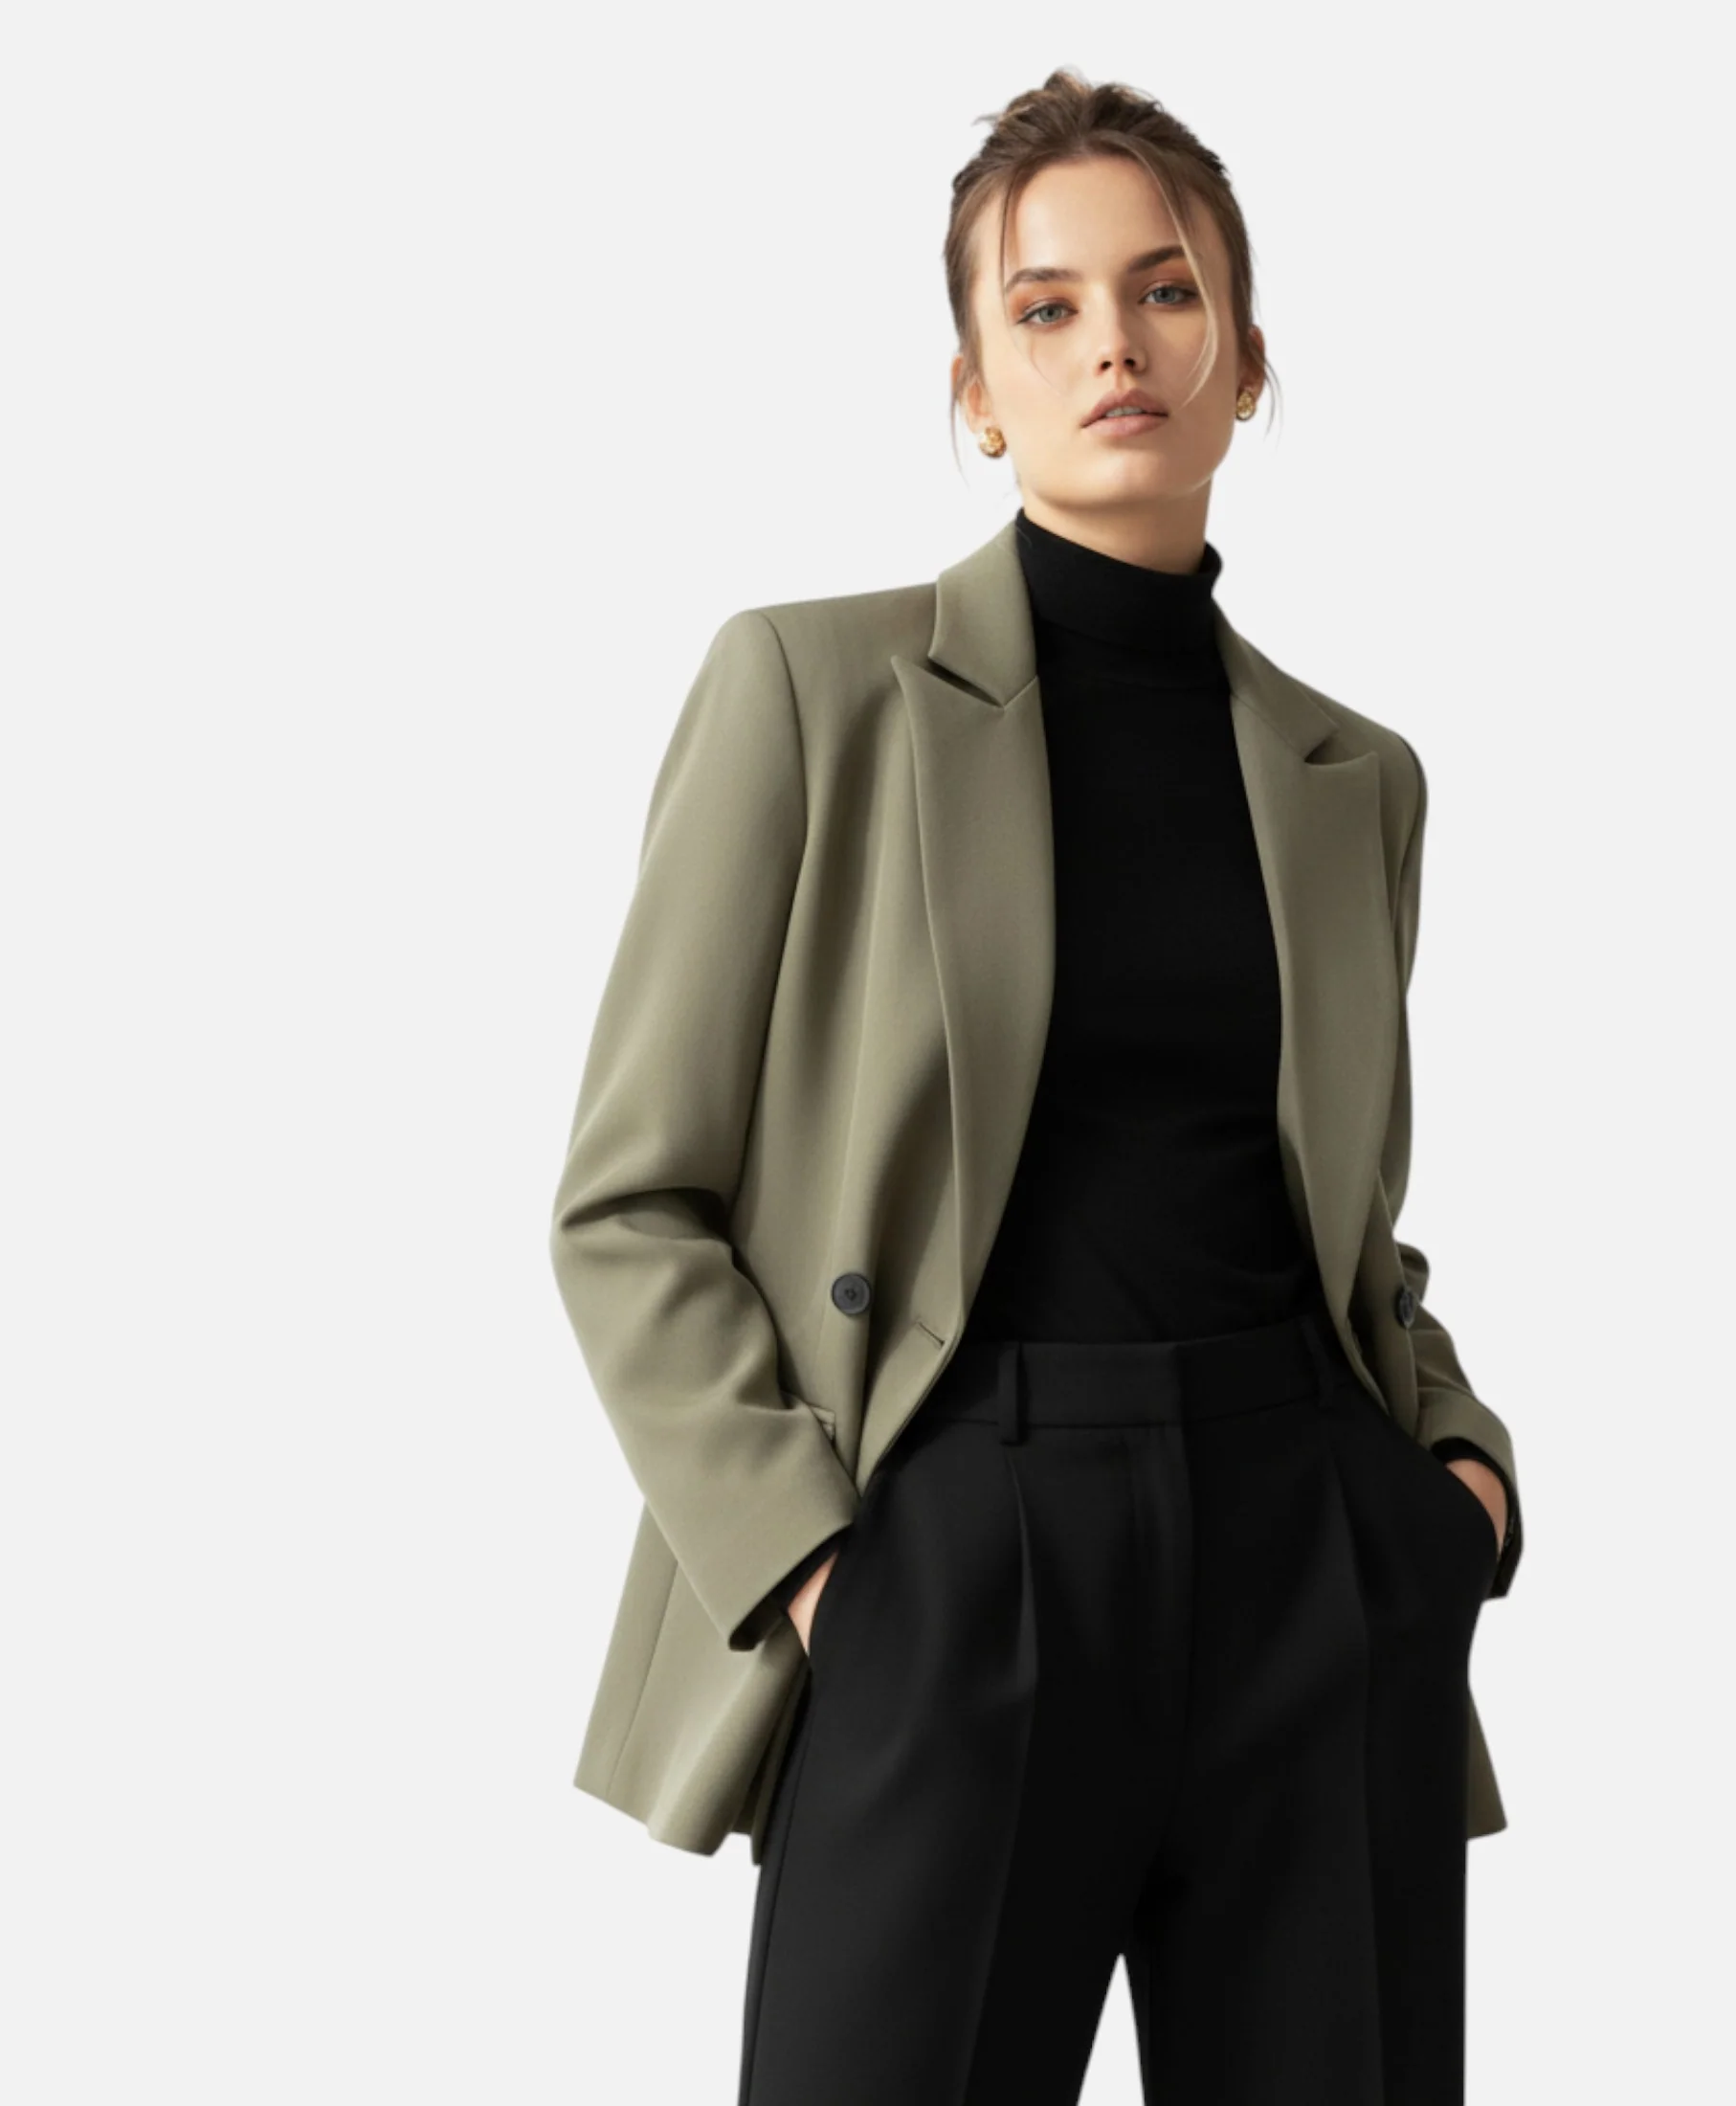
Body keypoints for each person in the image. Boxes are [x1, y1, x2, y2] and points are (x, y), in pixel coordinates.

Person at [548, 67, 1523, 2106]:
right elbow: (629, 1202)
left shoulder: (1355, 779)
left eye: (1166, 293)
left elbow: (1344, 1226)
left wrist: (1451, 1477)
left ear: (1246, 357)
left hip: (1312, 1565)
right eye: (1046, 305)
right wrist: (820, 1566)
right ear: (975, 391)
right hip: (956, 1554)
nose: (1115, 347)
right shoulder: (810, 694)